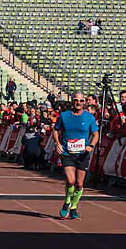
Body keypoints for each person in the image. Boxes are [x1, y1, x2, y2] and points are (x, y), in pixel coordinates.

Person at [49, 93, 99, 221]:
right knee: (70, 181)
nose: (78, 103)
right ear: (72, 101)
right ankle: (67, 202)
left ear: (84, 102)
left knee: (79, 184)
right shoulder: (64, 116)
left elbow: (96, 134)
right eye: (76, 100)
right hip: (67, 152)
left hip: (83, 154)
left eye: (81, 101)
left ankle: (74, 208)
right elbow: (55, 129)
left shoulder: (89, 117)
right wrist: (57, 143)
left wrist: (91, 145)